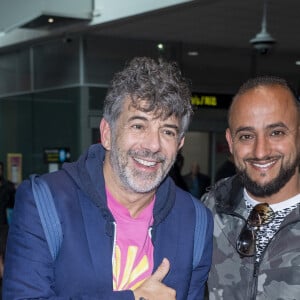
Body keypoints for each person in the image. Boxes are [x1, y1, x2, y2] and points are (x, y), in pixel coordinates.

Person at [3, 57, 213, 300]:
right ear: (107, 134)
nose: (153, 145)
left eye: (167, 131)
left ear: (179, 144)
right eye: (138, 125)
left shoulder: (195, 221)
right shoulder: (45, 203)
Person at [203, 75, 300, 299]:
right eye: (246, 136)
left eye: (276, 133)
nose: (260, 152)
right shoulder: (211, 210)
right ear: (230, 141)